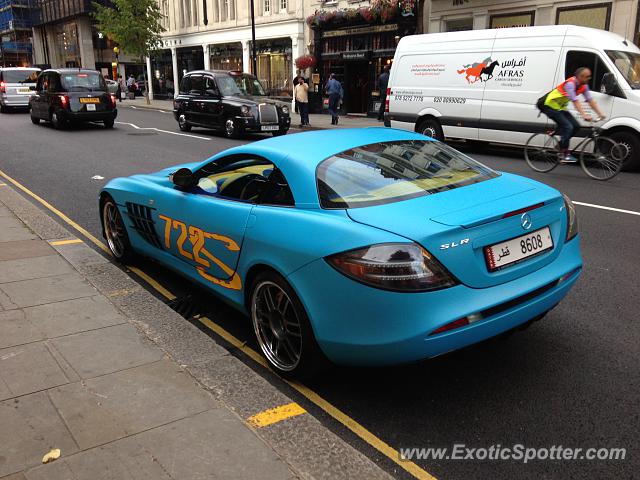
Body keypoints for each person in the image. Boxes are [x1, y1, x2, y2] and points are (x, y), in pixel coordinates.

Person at [539, 67, 606, 163]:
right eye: (587, 77)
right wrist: (584, 115)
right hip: (549, 106)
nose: (589, 79)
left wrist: (600, 114)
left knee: (576, 126)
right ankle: (564, 154)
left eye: (589, 77)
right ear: (580, 77)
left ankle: (560, 145)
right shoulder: (570, 84)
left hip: (560, 107)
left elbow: (590, 100)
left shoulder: (584, 86)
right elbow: (575, 101)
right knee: (568, 127)